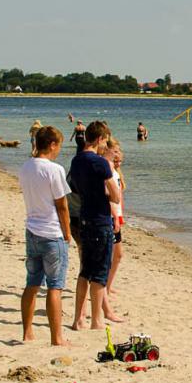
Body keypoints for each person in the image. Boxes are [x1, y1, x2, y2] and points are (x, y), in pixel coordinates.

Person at [18, 126, 73, 346]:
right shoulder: (54, 169)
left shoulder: (25, 167)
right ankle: (56, 337)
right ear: (52, 145)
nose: (59, 150)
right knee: (55, 286)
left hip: (32, 229)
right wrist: (67, 233)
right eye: (58, 145)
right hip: (51, 232)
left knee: (32, 283)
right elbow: (62, 205)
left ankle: (27, 332)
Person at [68, 121, 122, 331]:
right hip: (100, 220)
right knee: (99, 274)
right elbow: (116, 197)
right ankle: (96, 320)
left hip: (84, 217)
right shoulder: (99, 163)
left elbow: (78, 188)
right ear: (100, 139)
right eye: (105, 141)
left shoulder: (76, 160)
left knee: (85, 271)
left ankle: (77, 319)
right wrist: (108, 167)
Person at [104, 139, 126, 310]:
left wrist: (120, 216)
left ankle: (107, 286)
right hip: (112, 217)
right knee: (115, 255)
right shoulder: (108, 172)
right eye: (116, 152)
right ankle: (104, 287)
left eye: (119, 153)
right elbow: (109, 197)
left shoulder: (117, 172)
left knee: (117, 255)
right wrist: (115, 217)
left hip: (116, 216)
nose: (119, 155)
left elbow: (119, 197)